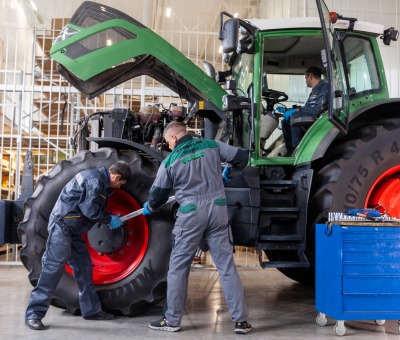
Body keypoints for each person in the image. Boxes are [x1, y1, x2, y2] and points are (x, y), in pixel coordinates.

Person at [143, 121, 251, 334]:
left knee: (178, 268)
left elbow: (158, 196)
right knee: (226, 267)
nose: (170, 147)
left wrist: (150, 206)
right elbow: (242, 157)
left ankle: (172, 320)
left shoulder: (171, 161)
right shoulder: (212, 145)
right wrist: (231, 171)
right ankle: (241, 322)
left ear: (173, 137)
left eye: (168, 143)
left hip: (191, 213)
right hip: (219, 209)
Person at [25, 161, 131, 330]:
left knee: (84, 267)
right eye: (120, 183)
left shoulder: (99, 182)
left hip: (73, 230)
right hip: (61, 227)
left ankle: (91, 310)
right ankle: (33, 314)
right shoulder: (94, 180)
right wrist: (109, 218)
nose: (118, 187)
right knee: (52, 269)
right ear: (117, 176)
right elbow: (89, 210)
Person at [281, 66, 329, 154]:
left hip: (319, 119)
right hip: (312, 115)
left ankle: (297, 152)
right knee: (285, 122)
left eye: (306, 78)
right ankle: (290, 150)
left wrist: (295, 112)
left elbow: (317, 110)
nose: (305, 81)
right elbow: (307, 107)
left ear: (310, 76)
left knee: (295, 117)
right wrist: (290, 109)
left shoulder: (324, 88)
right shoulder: (315, 90)